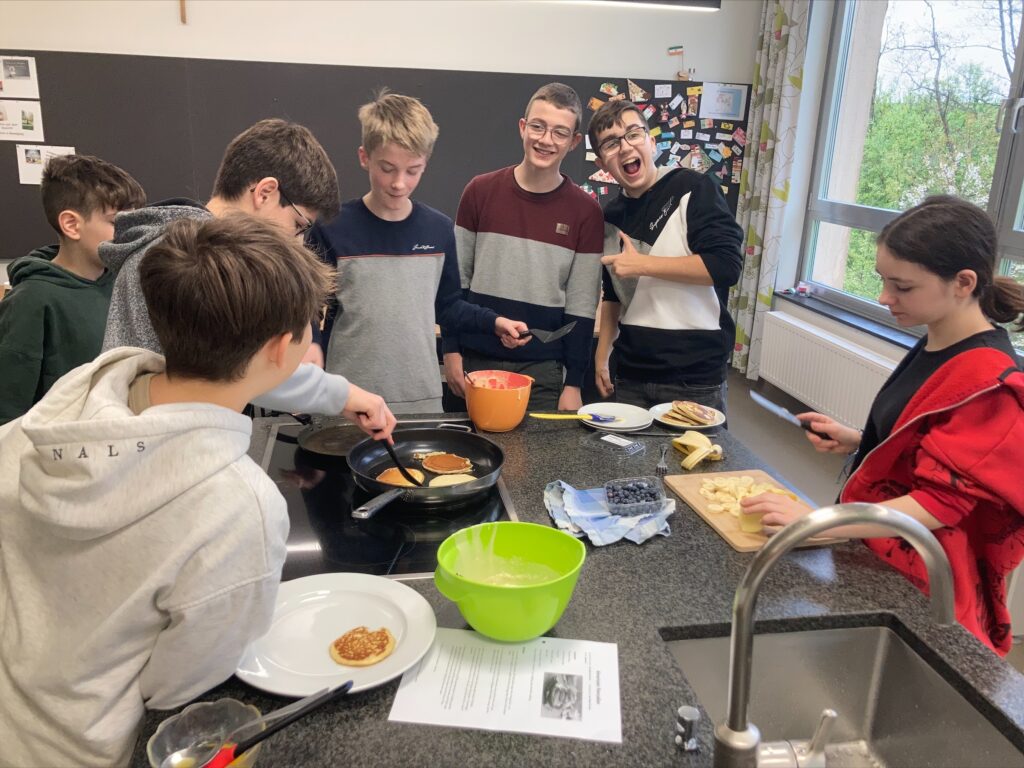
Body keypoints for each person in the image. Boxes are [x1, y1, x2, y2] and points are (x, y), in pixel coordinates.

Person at [0, 215, 334, 766]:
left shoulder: (59, 411)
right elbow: (177, 685)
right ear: (281, 349)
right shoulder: (239, 510)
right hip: (94, 750)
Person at [742, 196, 1024, 656]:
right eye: (883, 280)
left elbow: (940, 503)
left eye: (902, 286)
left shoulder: (989, 383)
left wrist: (820, 524)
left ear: (963, 282)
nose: (884, 298)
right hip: (880, 553)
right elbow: (929, 443)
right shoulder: (938, 340)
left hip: (924, 584)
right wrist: (860, 440)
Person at [100, 118, 396, 439]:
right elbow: (239, 370)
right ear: (265, 192)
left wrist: (340, 395)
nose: (297, 244)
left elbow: (238, 367)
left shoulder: (174, 246)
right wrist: (340, 394)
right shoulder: (197, 261)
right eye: (298, 225)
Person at [308, 90, 528, 413]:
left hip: (420, 400)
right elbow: (307, 307)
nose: (399, 183)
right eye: (387, 168)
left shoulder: (438, 230)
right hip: (348, 400)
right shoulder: (332, 228)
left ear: (425, 163)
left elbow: (448, 307)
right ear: (364, 157)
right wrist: (311, 345)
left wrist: (493, 322)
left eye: (412, 170)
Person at [442, 83, 604, 411]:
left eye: (560, 132)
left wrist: (574, 383)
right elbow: (455, 284)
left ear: (574, 142)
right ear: (522, 127)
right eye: (538, 126)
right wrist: (451, 351)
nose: (546, 140)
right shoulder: (479, 192)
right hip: (475, 361)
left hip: (542, 371)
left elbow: (582, 306)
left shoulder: (587, 212)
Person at [586, 99, 743, 413]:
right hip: (631, 373)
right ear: (602, 163)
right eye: (611, 143)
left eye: (634, 134)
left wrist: (644, 265)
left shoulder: (693, 189)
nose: (625, 147)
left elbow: (726, 265)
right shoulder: (611, 216)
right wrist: (602, 354)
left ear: (651, 142)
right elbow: (613, 293)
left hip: (694, 378)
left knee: (694, 448)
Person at [0, 154, 145, 425]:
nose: (131, 234)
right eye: (117, 223)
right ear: (71, 224)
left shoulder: (123, 284)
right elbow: (8, 408)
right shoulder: (31, 301)